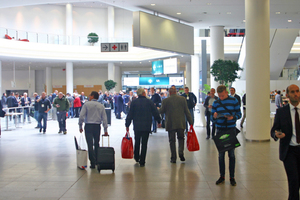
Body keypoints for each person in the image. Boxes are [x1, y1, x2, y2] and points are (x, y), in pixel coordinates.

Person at [271, 84, 300, 200]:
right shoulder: (282, 112)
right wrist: (276, 134)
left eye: (297, 91)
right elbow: (274, 130)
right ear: (287, 95)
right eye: (292, 92)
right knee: (293, 181)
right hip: (289, 151)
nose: (296, 94)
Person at [211, 85, 241, 186]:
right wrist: (214, 117)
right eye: (219, 96)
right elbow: (212, 117)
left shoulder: (234, 101)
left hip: (230, 129)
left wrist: (233, 117)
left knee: (231, 154)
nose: (221, 97)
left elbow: (239, 114)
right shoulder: (216, 102)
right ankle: (222, 176)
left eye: (223, 95)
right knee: (221, 155)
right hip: (220, 129)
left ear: (226, 92)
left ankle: (232, 177)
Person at [125, 88, 161, 167]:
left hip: (137, 125)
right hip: (146, 125)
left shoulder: (134, 102)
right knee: (144, 143)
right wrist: (158, 121)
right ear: (144, 93)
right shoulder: (149, 102)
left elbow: (130, 114)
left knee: (137, 141)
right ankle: (142, 161)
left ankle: (136, 156)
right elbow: (155, 112)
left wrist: (127, 124)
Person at [159, 87, 193, 163]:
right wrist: (191, 122)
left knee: (172, 141)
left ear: (169, 93)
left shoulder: (165, 101)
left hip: (170, 123)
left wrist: (155, 110)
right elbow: (187, 111)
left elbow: (161, 111)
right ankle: (181, 152)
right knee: (181, 138)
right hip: (180, 123)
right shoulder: (182, 99)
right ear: (176, 92)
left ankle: (173, 158)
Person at [79, 91, 108, 169]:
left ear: (92, 96)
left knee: (90, 144)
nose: (88, 96)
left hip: (88, 126)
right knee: (96, 143)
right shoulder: (101, 106)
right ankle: (97, 160)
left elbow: (81, 116)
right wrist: (105, 129)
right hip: (97, 126)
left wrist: (80, 126)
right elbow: (104, 118)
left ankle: (92, 162)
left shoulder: (86, 104)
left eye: (89, 95)